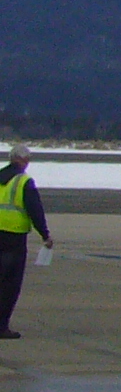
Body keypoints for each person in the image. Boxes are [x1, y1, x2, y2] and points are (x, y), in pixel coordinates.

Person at [0, 142, 54, 340]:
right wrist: (45, 234)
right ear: (22, 160)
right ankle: (1, 326)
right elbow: (35, 210)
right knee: (9, 284)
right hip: (13, 237)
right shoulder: (24, 182)